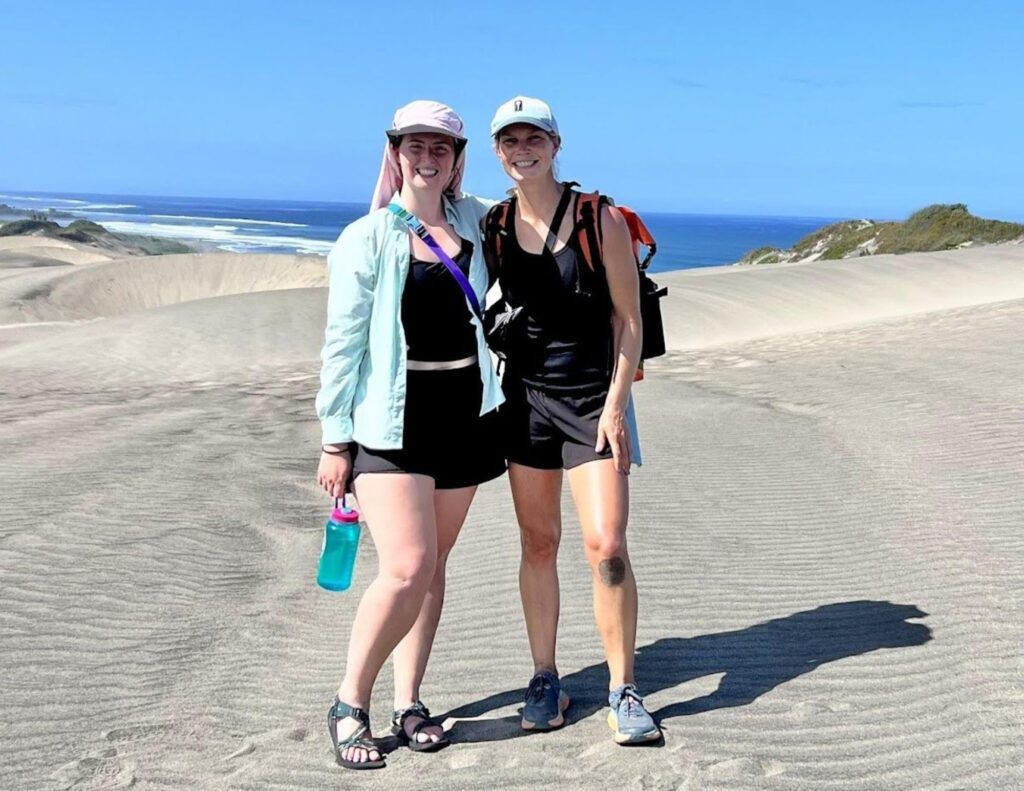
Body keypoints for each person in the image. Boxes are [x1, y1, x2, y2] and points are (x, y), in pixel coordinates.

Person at [315, 100, 505, 769]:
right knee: (406, 565)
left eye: (441, 149)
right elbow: (341, 347)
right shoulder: (367, 237)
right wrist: (334, 438)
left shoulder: (477, 222)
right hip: (390, 422)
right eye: (415, 146)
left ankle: (410, 700)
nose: (428, 159)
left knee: (433, 570)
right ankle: (348, 701)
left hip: (465, 416)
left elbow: (535, 211)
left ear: (457, 161)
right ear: (394, 152)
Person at [485, 96, 661, 744]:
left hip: (592, 400)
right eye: (510, 140)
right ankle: (544, 677)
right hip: (526, 404)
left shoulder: (599, 218)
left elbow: (629, 320)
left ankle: (624, 686)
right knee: (538, 543)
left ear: (556, 145)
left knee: (606, 544)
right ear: (498, 151)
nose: (522, 148)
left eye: (534, 137)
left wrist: (616, 404)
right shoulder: (497, 226)